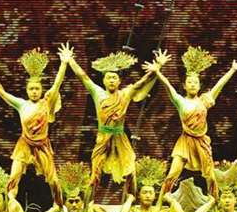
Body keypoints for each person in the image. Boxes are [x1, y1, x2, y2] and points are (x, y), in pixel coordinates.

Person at [145, 47, 237, 199]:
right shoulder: (180, 101)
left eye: (195, 82)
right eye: (189, 82)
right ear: (184, 86)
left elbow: (219, 85)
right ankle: (160, 203)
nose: (192, 85)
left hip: (201, 143)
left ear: (199, 86)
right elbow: (167, 85)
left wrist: (232, 70)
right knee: (172, 174)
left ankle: (214, 204)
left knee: (210, 177)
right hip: (185, 142)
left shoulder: (204, 101)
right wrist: (157, 70)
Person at [0, 43, 73, 204]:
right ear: (27, 91)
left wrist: (64, 63)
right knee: (14, 177)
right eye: (31, 89)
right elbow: (2, 93)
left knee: (54, 181)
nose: (34, 91)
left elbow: (57, 83)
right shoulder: (21, 104)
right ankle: (9, 206)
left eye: (37, 89)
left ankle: (60, 207)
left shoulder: (47, 102)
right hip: (25, 144)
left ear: (41, 90)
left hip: (42, 145)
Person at [68, 51, 168, 200]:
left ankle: (133, 202)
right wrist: (70, 61)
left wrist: (158, 66)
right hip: (103, 138)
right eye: (108, 77)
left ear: (120, 80)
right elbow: (83, 76)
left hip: (120, 138)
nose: (111, 80)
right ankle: (87, 206)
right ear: (103, 81)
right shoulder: (98, 93)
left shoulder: (125, 94)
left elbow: (141, 83)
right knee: (95, 174)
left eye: (114, 78)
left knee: (131, 172)